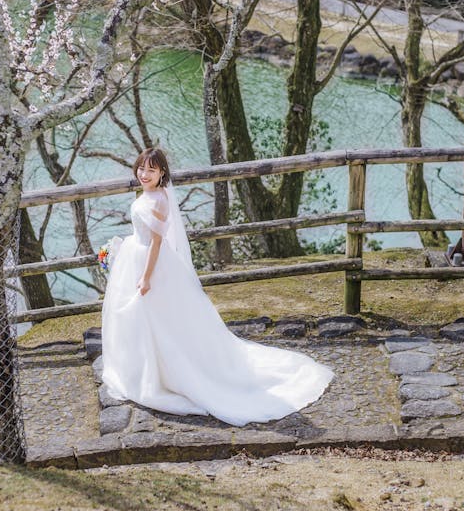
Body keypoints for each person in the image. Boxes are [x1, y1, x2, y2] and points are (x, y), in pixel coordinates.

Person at [100, 148, 333, 427]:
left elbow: (156, 243)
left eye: (151, 170)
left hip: (151, 264)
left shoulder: (159, 200)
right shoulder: (149, 195)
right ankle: (141, 369)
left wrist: (146, 277)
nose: (144, 174)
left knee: (155, 319)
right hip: (134, 255)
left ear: (162, 172)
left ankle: (162, 374)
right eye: (141, 168)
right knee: (144, 319)